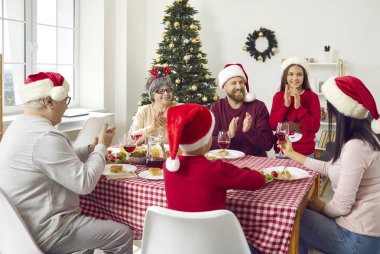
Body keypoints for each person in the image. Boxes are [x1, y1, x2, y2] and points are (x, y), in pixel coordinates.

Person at [0, 72, 133, 254]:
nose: (66, 107)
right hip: (48, 231)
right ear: (49, 102)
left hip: (16, 230)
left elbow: (56, 162)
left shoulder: (18, 126)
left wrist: (89, 149)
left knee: (91, 230)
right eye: (66, 100)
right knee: (122, 235)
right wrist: (102, 147)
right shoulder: (45, 136)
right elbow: (85, 183)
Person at [277, 76, 380, 253]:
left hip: (358, 239)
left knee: (293, 217)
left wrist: (321, 206)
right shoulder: (365, 138)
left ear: (341, 113)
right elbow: (328, 168)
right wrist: (292, 153)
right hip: (364, 232)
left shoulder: (356, 147)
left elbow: (341, 206)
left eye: (330, 109)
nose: (328, 113)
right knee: (304, 213)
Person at [164, 103, 265, 253]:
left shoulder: (168, 166)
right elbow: (258, 181)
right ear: (207, 141)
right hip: (215, 244)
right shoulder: (217, 169)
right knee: (257, 246)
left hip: (179, 243)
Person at [210, 63, 273, 156]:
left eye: (241, 82)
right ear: (224, 87)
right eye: (233, 83)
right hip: (226, 160)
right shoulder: (217, 107)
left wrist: (249, 131)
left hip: (255, 161)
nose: (239, 87)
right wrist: (228, 135)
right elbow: (208, 143)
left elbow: (268, 144)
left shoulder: (258, 107)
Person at [269, 56, 320, 157]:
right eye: (291, 74)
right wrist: (285, 106)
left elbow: (314, 128)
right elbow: (273, 126)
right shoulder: (278, 96)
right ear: (285, 77)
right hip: (282, 152)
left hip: (305, 154)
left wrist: (299, 108)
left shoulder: (312, 97)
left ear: (304, 77)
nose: (295, 78)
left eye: (299, 74)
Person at [130, 66, 180, 144]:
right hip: (149, 155)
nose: (166, 93)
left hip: (174, 155)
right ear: (153, 95)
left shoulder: (180, 108)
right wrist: (152, 128)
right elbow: (132, 140)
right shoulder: (144, 111)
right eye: (161, 91)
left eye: (168, 90)